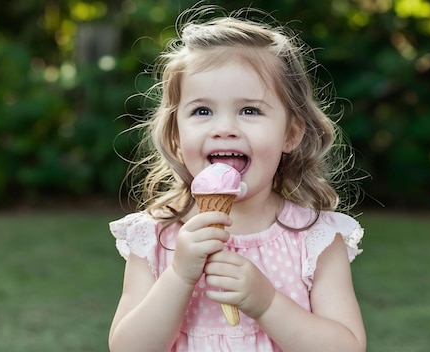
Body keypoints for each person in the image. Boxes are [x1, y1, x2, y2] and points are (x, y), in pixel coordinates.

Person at [108, 5, 366, 352]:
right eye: (202, 111)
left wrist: (268, 303)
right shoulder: (156, 236)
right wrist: (180, 275)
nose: (225, 128)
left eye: (250, 110)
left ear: (290, 134)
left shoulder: (315, 240)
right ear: (175, 137)